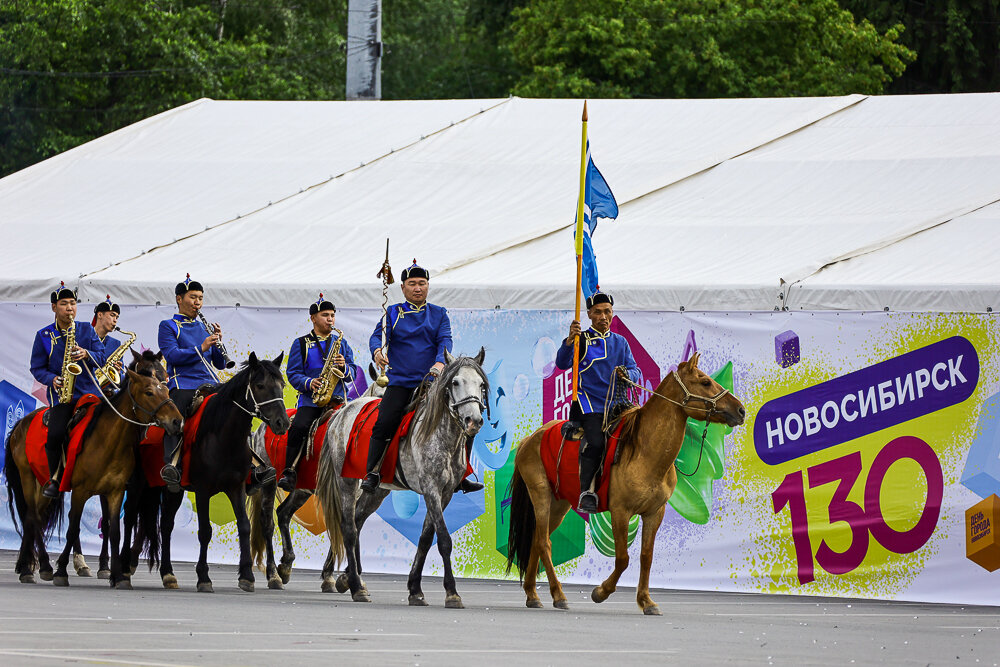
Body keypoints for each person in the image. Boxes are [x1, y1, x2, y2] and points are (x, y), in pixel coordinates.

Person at [361, 259, 483, 494]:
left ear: (428, 286)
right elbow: (376, 338)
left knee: (466, 419)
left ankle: (461, 474)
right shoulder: (393, 313)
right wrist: (377, 352)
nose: (418, 288)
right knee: (384, 422)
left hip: (433, 382)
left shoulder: (438, 314)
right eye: (412, 284)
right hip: (401, 382)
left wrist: (440, 362)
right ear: (403, 287)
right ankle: (373, 472)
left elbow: (444, 340)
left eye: (422, 283)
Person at [157, 274, 274, 492]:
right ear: (179, 299)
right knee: (176, 418)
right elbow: (172, 356)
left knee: (237, 412)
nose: (197, 303)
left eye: (200, 298)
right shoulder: (168, 326)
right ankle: (172, 465)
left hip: (211, 382)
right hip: (183, 384)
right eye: (193, 297)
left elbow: (220, 364)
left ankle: (253, 466)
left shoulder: (205, 327)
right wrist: (201, 347)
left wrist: (218, 342)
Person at [555, 290, 640, 513]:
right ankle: (587, 492)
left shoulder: (621, 342)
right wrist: (568, 341)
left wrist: (628, 375)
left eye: (608, 312)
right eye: (598, 312)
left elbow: (635, 370)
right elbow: (562, 364)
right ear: (590, 314)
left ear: (612, 314)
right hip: (590, 404)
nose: (604, 316)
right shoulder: (581, 339)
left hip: (620, 404)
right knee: (596, 443)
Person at [30, 282, 107, 498]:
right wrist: (52, 379)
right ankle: (55, 478)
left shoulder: (85, 329)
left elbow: (101, 357)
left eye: (73, 303)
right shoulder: (43, 335)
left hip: (89, 393)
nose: (70, 308)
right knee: (54, 435)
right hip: (63, 396)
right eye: (64, 304)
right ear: (54, 307)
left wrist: (86, 354)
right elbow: (36, 368)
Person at [279, 293, 356, 491]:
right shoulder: (301, 343)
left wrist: (344, 367)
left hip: (337, 399)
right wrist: (309, 382)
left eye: (332, 315)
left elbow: (353, 372)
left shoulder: (342, 343)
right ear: (313, 318)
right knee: (299, 427)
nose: (330, 319)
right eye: (325, 315)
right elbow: (293, 373)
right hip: (312, 400)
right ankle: (289, 471)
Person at [92, 295, 123, 396]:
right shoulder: (84, 337)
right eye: (112, 315)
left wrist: (117, 372)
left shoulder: (116, 344)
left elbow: (120, 380)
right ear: (100, 315)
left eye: (117, 317)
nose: (115, 320)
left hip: (106, 393)